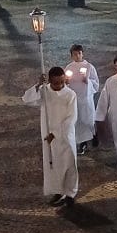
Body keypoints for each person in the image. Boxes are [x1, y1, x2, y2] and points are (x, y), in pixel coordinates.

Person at [22, 67, 78, 207]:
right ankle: (58, 191)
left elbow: (71, 118)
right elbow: (27, 100)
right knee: (52, 165)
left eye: (62, 82)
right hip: (48, 136)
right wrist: (38, 85)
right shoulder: (45, 92)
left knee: (69, 165)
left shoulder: (70, 94)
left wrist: (56, 133)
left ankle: (70, 193)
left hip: (65, 137)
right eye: (56, 83)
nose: (59, 85)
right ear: (50, 81)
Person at [64, 44, 100, 155]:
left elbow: (96, 83)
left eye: (79, 53)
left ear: (82, 54)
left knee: (88, 120)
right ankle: (82, 143)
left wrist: (88, 81)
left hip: (86, 98)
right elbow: (64, 83)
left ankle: (94, 134)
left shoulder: (89, 67)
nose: (77, 56)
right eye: (75, 54)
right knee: (78, 121)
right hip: (74, 99)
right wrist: (66, 82)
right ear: (71, 56)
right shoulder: (69, 67)